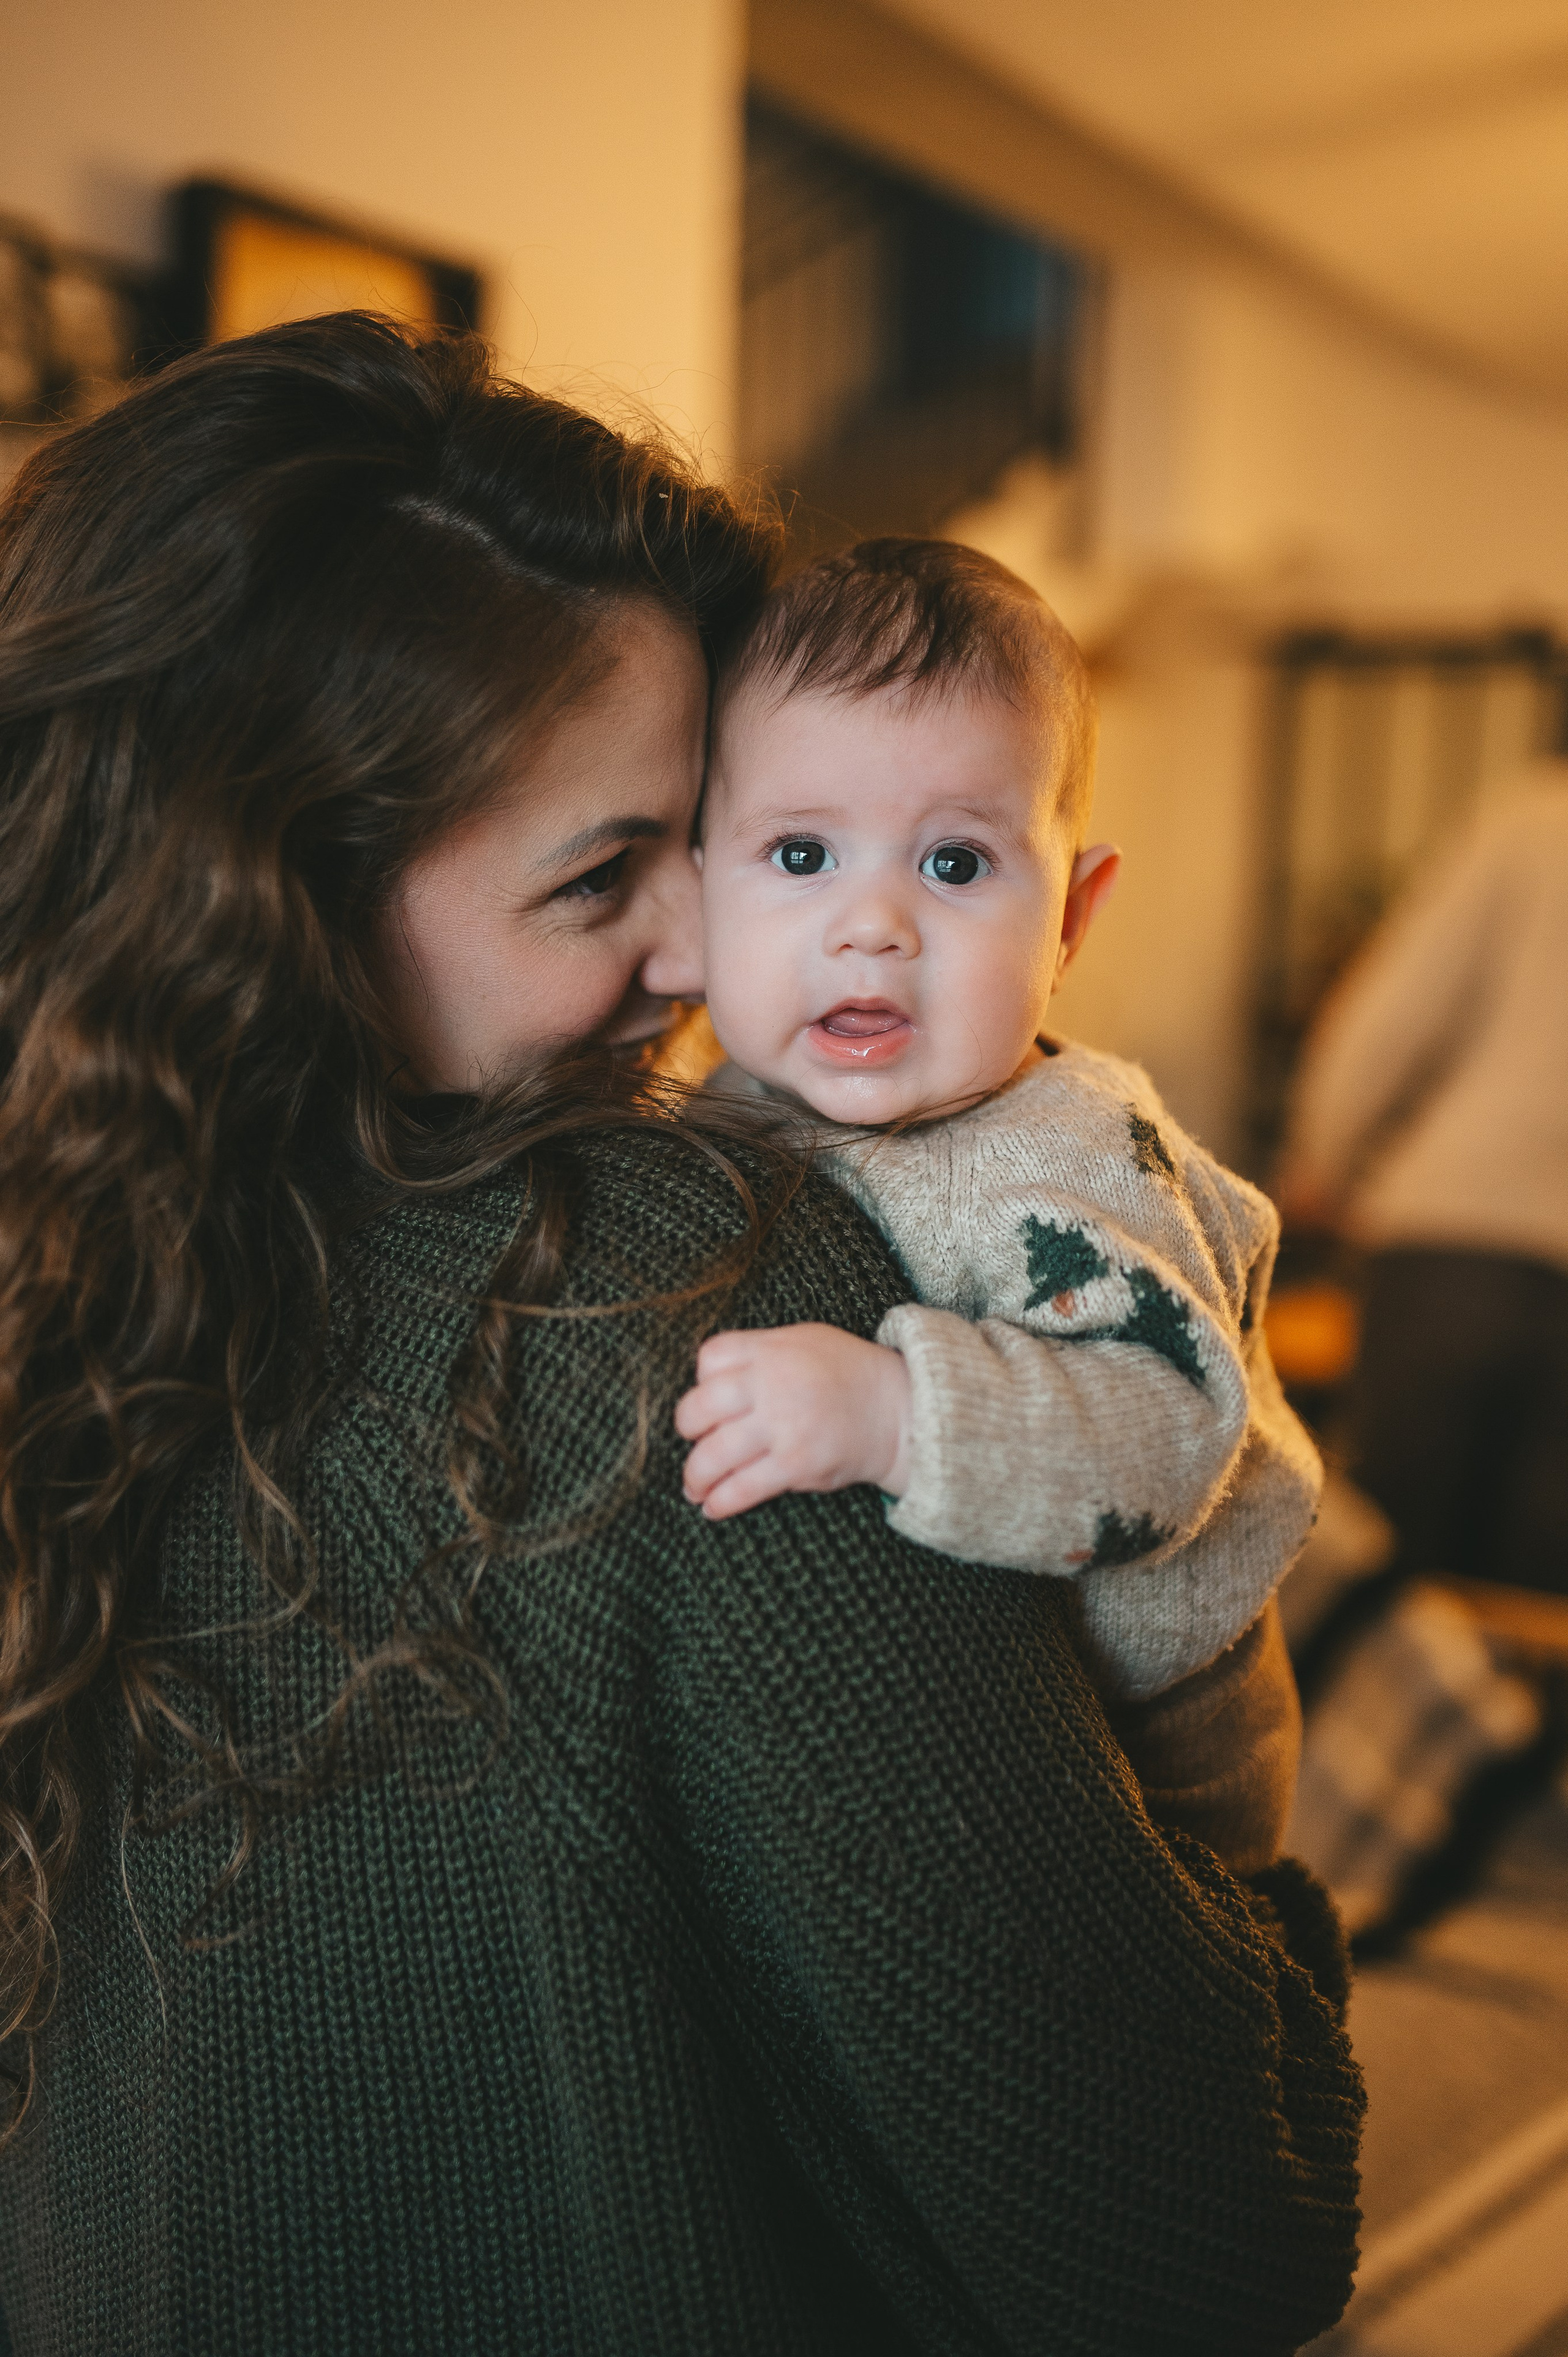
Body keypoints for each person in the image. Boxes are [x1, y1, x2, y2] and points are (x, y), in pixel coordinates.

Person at [0, 315, 1362, 2356]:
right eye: (603, 876)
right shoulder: (671, 1278)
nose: (702, 949)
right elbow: (1196, 2242)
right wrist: (1262, 1931)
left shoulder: (73, 1276)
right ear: (285, 897)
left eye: (701, 843)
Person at [679, 541, 1320, 1872]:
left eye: (956, 867)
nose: (872, 926)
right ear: (695, 891)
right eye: (800, 852)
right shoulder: (732, 1101)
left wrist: (896, 1415)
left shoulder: (1065, 1157)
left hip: (1163, 1734)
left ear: (1070, 919)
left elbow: (1166, 1431)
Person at [1283, 773, 1568, 1594]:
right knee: (1538, 1617)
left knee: (1387, 1584)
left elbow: (1391, 1019)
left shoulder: (1530, 823)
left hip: (1456, 1246)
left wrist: (1322, 1161)